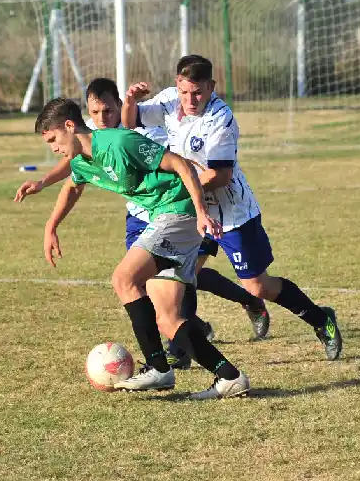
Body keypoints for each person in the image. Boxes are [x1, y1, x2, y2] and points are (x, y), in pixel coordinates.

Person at [16, 78, 270, 361]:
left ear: (119, 107)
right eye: (95, 112)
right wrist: (45, 195)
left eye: (108, 111)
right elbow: (74, 174)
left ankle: (167, 358)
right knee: (152, 289)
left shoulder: (129, 137)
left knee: (137, 280)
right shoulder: (87, 144)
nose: (102, 118)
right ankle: (206, 358)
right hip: (144, 215)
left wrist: (199, 210)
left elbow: (179, 164)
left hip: (179, 208)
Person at [122, 55, 342, 361]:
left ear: (211, 87)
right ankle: (180, 348)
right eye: (185, 92)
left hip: (232, 213)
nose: (190, 99)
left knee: (258, 286)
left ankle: (321, 319)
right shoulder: (170, 101)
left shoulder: (220, 119)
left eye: (198, 92)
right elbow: (130, 121)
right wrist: (130, 100)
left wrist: (180, 188)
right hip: (192, 211)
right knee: (180, 277)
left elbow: (220, 175)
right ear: (177, 86)